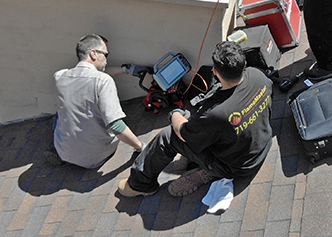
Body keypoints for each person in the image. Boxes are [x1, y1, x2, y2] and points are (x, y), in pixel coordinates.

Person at [117, 41, 273, 198]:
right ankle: (200, 164)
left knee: (168, 136)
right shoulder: (258, 75)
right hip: (261, 145)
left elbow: (183, 133)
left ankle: (139, 184)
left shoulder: (216, 114)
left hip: (236, 167)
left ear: (215, 71)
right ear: (244, 63)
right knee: (204, 124)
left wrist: (175, 114)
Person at [45, 33, 145, 168]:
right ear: (93, 54)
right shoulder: (103, 81)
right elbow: (116, 125)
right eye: (106, 55)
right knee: (109, 115)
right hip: (94, 157)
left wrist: (125, 69)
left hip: (63, 152)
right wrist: (141, 147)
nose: (107, 60)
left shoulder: (60, 76)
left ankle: (61, 153)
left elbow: (90, 75)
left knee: (61, 113)